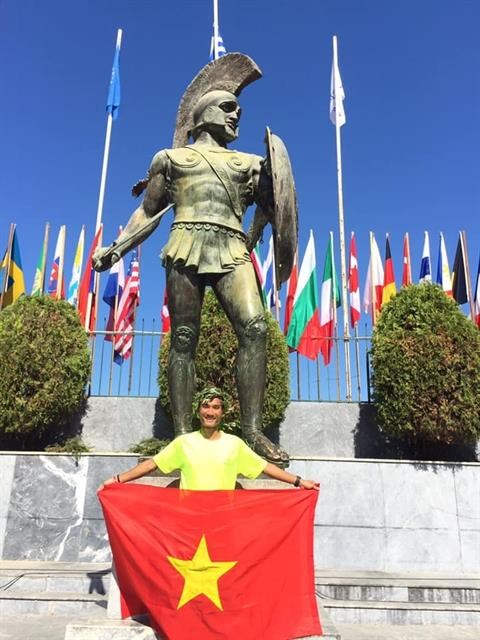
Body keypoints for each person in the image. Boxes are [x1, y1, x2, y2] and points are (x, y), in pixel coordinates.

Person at [92, 55, 292, 467]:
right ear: (204, 116)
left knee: (255, 328)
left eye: (240, 110)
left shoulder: (251, 164)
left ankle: (253, 430)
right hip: (185, 243)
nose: (238, 116)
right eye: (230, 108)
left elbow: (274, 211)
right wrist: (116, 249)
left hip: (233, 248)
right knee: (184, 339)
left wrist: (258, 230)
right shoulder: (171, 159)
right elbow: (148, 213)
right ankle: (183, 435)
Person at [99, 388, 319, 491]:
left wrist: (300, 482)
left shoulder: (234, 445)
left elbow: (265, 467)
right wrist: (117, 480)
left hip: (222, 521)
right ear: (198, 411)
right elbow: (151, 465)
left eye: (216, 407)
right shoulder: (184, 443)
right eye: (206, 406)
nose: (210, 412)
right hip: (189, 520)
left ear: (222, 412)